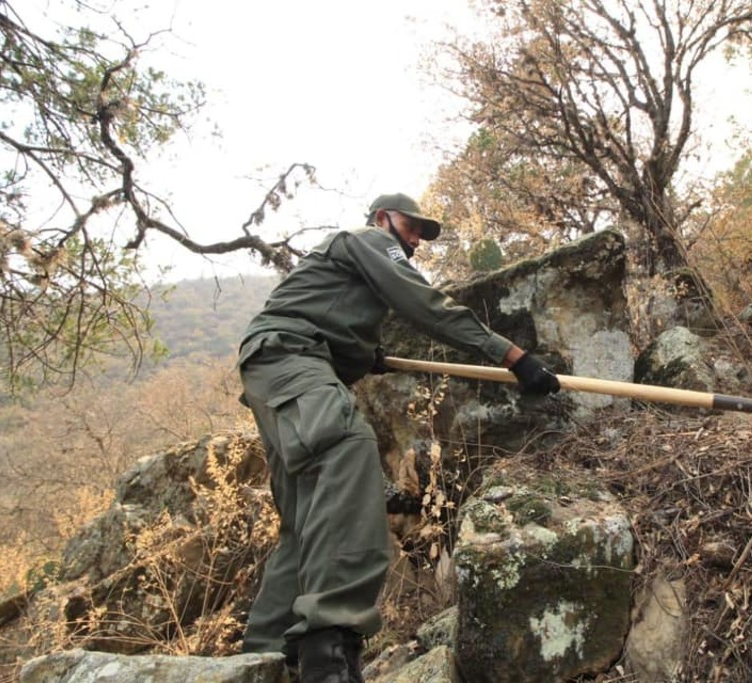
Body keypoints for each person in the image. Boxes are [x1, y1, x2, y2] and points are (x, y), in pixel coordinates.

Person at [236, 192, 560, 683]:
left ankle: (264, 659)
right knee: (347, 448)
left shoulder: (347, 273)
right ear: (383, 218)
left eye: (421, 236)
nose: (415, 241)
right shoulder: (367, 239)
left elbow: (330, 313)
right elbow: (424, 304)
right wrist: (514, 357)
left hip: (273, 369)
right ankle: (329, 643)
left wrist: (361, 353)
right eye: (411, 228)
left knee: (303, 515)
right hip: (291, 358)